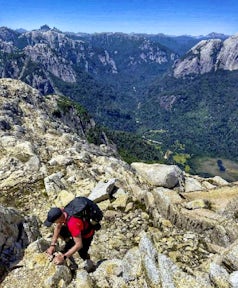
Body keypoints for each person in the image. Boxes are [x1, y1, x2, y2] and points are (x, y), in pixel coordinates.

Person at [44, 206, 96, 272]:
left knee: (82, 252)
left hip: (86, 234)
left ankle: (90, 264)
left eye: (54, 221)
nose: (54, 223)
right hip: (76, 228)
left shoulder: (72, 224)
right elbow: (57, 227)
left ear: (59, 218)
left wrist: (63, 257)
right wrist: (52, 245)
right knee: (61, 231)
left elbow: (79, 244)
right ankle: (70, 242)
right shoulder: (62, 211)